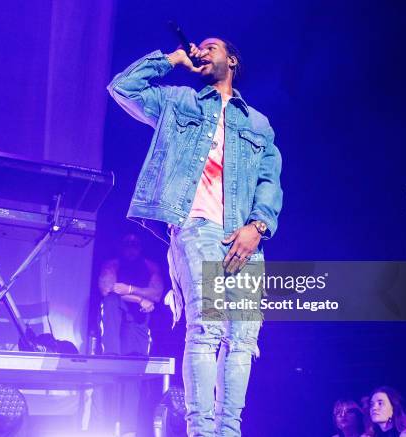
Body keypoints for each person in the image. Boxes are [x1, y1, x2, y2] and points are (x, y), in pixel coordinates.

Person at [108, 37, 283, 436]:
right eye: (197, 48)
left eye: (211, 46)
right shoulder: (179, 101)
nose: (202, 51)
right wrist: (170, 59)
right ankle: (201, 431)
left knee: (244, 339)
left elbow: (269, 183)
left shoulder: (258, 124)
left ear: (232, 59)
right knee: (209, 327)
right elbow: (123, 87)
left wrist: (257, 227)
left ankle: (228, 431)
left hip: (243, 234)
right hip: (196, 226)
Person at [95, 232, 164, 437]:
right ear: (121, 246)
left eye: (135, 244)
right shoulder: (112, 265)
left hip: (138, 321)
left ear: (140, 247)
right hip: (117, 314)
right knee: (110, 302)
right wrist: (140, 298)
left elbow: (157, 295)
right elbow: (108, 289)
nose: (131, 247)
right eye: (127, 243)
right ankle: (112, 355)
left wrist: (130, 289)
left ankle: (128, 431)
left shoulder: (151, 267)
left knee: (133, 375)